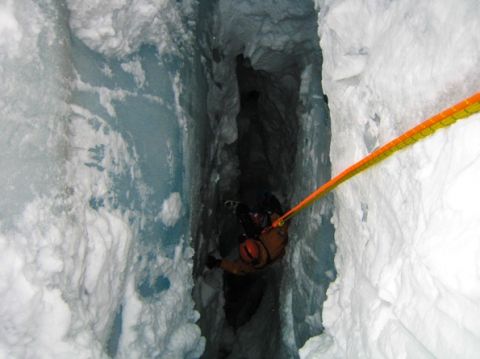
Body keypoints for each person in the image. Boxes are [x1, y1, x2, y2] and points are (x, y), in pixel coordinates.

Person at [206, 193, 289, 275]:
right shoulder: (274, 240)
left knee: (249, 224)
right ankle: (246, 211)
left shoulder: (252, 264)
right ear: (256, 244)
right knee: (265, 202)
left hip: (263, 239)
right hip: (272, 230)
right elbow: (282, 226)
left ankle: (240, 210)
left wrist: (217, 263)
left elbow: (236, 268)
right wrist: (273, 214)